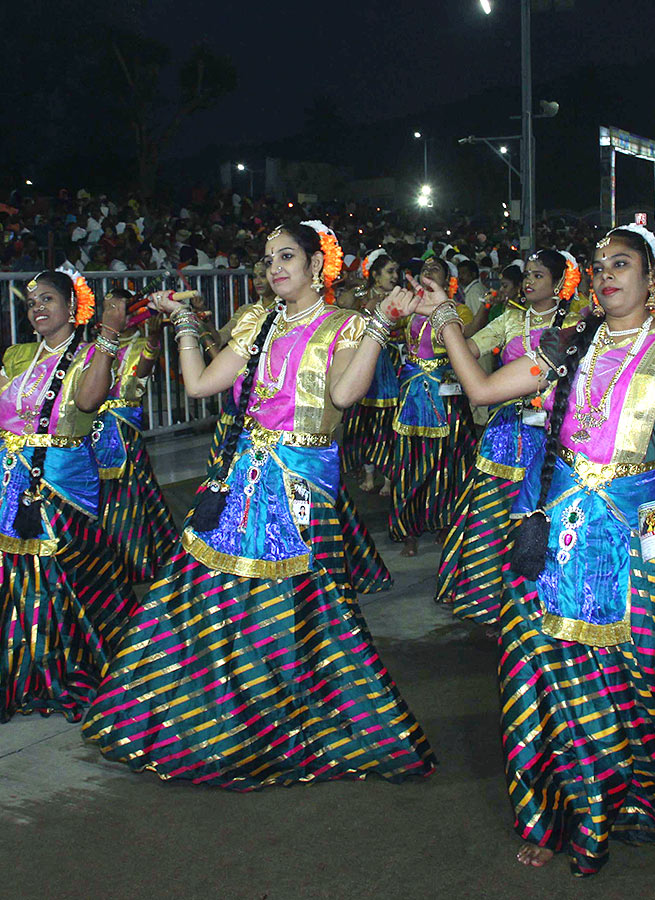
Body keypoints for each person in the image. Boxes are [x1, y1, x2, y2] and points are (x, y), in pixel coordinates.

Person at [414, 224, 655, 876]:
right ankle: (555, 810)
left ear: (652, 278)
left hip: (635, 525)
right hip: (557, 530)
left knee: (645, 669)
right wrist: (447, 322)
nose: (605, 274)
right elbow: (483, 392)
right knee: (541, 670)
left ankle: (636, 793)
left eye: (621, 264)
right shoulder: (568, 344)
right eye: (599, 265)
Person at [81, 221, 435, 789]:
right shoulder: (254, 320)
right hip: (245, 477)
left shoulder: (345, 325)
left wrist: (380, 326)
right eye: (269, 258)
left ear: (319, 265)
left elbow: (343, 396)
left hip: (303, 485)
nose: (274, 268)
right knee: (213, 601)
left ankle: (294, 726)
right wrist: (184, 323)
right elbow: (199, 386)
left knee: (302, 614)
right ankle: (219, 726)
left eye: (287, 256)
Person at [0, 268, 138, 722]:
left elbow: (91, 402)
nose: (37, 307)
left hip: (60, 487)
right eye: (32, 301)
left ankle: (64, 668)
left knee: (62, 585)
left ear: (73, 307)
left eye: (48, 299)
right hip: (4, 484)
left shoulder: (94, 352)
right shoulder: (17, 357)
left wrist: (110, 338)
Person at [435, 248, 580, 625]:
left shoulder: (579, 324)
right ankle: (485, 600)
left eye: (538, 276)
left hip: (552, 434)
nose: (528, 282)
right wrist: (448, 327)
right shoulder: (511, 319)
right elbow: (470, 348)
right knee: (493, 516)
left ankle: (535, 603)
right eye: (527, 275)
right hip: (505, 432)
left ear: (560, 282)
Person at [389, 256, 476, 556]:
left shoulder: (458, 310)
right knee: (407, 461)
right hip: (412, 390)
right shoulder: (409, 308)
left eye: (435, 269)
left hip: (445, 391)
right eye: (424, 268)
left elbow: (463, 339)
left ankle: (443, 521)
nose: (427, 272)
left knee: (444, 461)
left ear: (447, 279)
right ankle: (408, 529)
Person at [91, 289, 178, 583]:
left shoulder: (140, 343)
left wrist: (153, 341)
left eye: (119, 309)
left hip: (124, 433)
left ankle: (133, 559)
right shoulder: (95, 347)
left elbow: (140, 376)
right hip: (93, 431)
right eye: (108, 309)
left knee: (130, 495)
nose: (113, 314)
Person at [338, 249, 401, 494]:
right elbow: (342, 304)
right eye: (389, 271)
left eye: (396, 271)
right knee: (363, 423)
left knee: (386, 424)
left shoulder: (400, 297)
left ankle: (387, 479)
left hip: (387, 362)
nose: (395, 276)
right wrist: (358, 295)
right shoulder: (363, 295)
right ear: (375, 275)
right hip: (364, 360)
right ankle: (367, 474)